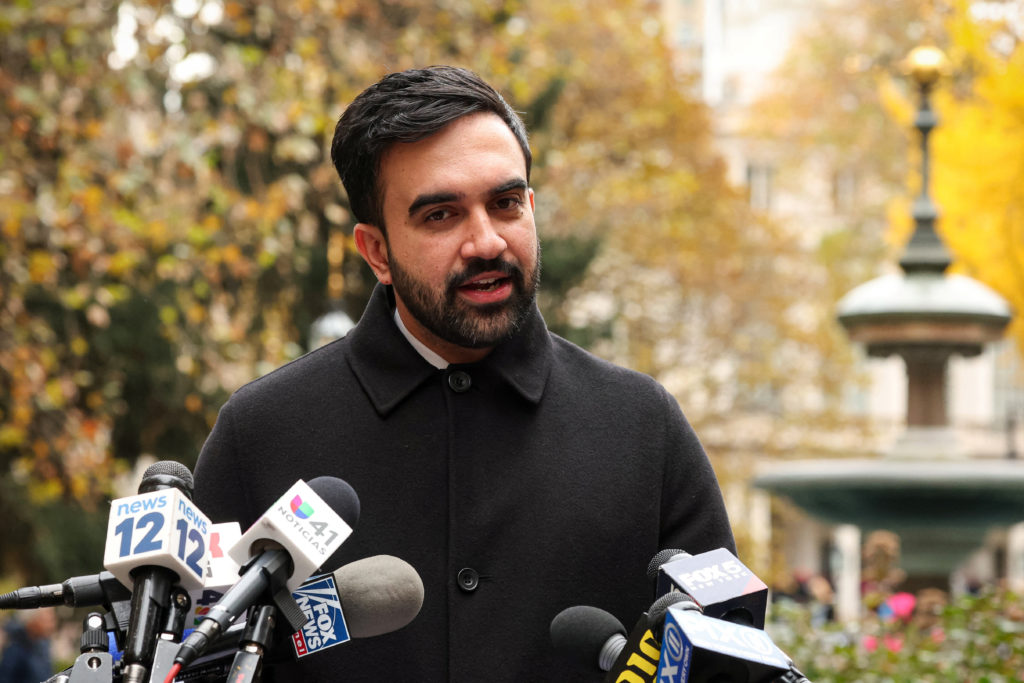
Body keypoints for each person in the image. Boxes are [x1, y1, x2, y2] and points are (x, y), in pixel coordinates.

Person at [193, 65, 735, 681]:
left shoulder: (643, 429)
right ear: (376, 252)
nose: (485, 241)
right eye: (440, 215)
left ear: (531, 206)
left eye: (505, 204)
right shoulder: (261, 432)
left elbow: (727, 655)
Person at [0, 608, 56, 683]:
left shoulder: (42, 644)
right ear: (32, 620)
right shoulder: (15, 648)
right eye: (47, 619)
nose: (52, 623)